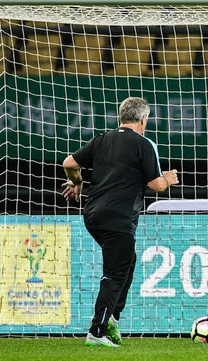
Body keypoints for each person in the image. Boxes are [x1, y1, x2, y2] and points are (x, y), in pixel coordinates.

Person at [62, 97, 179, 347]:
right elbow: (156, 185)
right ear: (144, 119)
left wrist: (77, 182)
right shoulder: (144, 144)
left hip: (93, 215)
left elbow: (69, 164)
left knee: (128, 261)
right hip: (118, 218)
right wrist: (168, 178)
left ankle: (113, 317)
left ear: (121, 116)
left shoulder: (101, 140)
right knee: (114, 274)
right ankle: (97, 330)